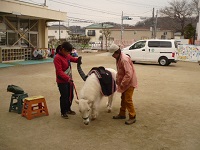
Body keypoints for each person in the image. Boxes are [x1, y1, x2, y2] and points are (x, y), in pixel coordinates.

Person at [109, 44, 138, 125]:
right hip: (125, 82)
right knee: (123, 98)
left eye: (112, 54)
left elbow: (129, 74)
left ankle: (132, 116)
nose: (112, 56)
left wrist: (122, 83)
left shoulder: (124, 59)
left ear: (116, 52)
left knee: (128, 99)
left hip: (129, 83)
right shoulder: (119, 58)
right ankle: (122, 114)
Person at [54, 42, 82, 119]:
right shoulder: (57, 58)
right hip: (62, 81)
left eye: (70, 52)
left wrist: (78, 60)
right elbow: (59, 72)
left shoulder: (67, 55)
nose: (69, 53)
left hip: (69, 80)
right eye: (68, 51)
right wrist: (67, 78)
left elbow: (72, 59)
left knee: (70, 95)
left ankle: (68, 109)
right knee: (64, 96)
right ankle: (63, 112)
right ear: (63, 50)